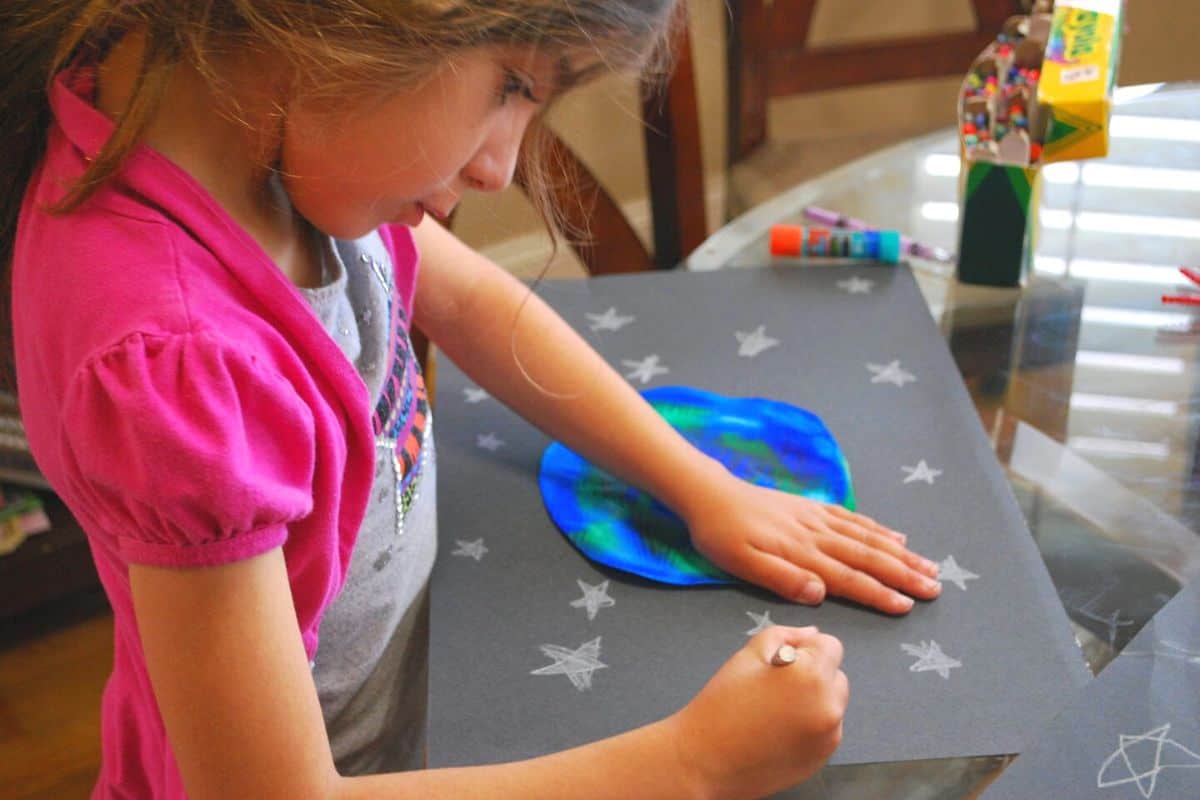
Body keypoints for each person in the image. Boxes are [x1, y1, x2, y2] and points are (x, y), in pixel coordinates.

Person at [1, 2, 944, 798]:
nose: (500, 170)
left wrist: (702, 486)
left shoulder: (270, 131)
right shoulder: (175, 363)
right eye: (511, 87)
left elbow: (471, 299)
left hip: (427, 721)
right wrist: (692, 765)